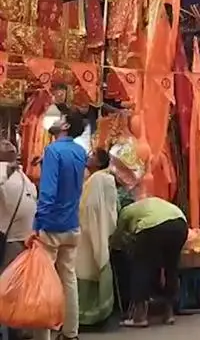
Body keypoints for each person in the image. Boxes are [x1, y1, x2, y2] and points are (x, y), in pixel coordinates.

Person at [33, 110, 88, 340]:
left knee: (44, 281)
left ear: (65, 126)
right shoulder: (80, 152)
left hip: (51, 225)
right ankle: (70, 333)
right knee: (68, 279)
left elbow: (48, 193)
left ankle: (43, 335)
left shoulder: (53, 151)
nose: (56, 120)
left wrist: (37, 224)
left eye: (61, 118)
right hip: (72, 224)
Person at [113, 197, 188, 328]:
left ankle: (139, 317)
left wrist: (114, 246)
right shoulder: (149, 203)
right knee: (171, 268)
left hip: (152, 228)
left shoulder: (126, 211)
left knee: (141, 267)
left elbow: (118, 235)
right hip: (180, 224)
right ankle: (169, 313)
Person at [75, 148, 117, 328]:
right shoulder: (95, 179)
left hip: (94, 229)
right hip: (87, 230)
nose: (88, 156)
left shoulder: (101, 179)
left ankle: (94, 313)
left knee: (90, 265)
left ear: (99, 162)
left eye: (92, 155)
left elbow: (96, 208)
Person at [0, 140, 37, 340]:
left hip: (12, 240)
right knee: (15, 288)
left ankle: (15, 329)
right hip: (21, 239)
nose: (5, 142)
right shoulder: (23, 177)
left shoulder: (6, 173)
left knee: (10, 289)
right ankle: (18, 330)